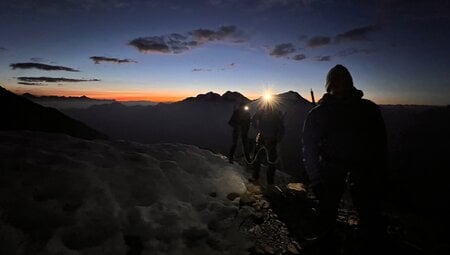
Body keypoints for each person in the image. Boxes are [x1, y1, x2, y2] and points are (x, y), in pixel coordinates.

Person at [302, 64, 388, 253]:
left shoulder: (319, 113)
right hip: (356, 170)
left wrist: (315, 178)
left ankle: (330, 243)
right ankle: (364, 243)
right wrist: (316, 179)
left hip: (349, 170)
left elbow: (309, 148)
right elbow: (381, 144)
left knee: (335, 210)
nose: (340, 86)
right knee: (361, 213)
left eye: (343, 81)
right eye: (337, 82)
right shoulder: (368, 109)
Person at [251, 103, 284, 185]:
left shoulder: (263, 113)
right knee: (270, 162)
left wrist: (256, 126)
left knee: (259, 158)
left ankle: (257, 177)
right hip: (270, 140)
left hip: (264, 139)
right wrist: (277, 139)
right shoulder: (276, 116)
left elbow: (253, 119)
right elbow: (281, 129)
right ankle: (269, 182)